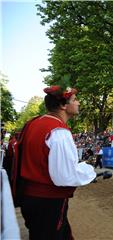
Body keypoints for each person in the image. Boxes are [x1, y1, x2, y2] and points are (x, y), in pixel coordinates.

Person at [18, 85, 96, 239]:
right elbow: (64, 177)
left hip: (29, 198)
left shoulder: (33, 123)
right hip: (48, 202)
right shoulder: (59, 131)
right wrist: (89, 170)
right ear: (62, 105)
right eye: (74, 100)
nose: (78, 102)